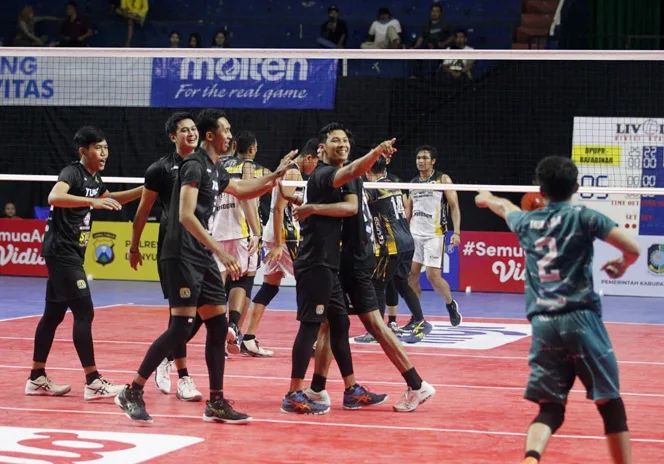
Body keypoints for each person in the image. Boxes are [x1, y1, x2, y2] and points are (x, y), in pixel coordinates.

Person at [115, 108, 298, 424]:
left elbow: (241, 190)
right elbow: (185, 215)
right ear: (210, 135)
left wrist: (274, 177)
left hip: (201, 255)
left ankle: (216, 402)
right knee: (181, 327)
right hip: (181, 254)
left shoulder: (215, 168)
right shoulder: (194, 166)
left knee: (217, 325)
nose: (230, 135)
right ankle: (133, 390)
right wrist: (220, 251)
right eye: (225, 130)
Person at [475, 156, 638, 464]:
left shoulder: (526, 222)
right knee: (610, 404)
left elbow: (503, 207)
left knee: (550, 408)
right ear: (576, 187)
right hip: (581, 320)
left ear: (540, 189)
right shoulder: (584, 217)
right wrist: (622, 264)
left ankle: (531, 459)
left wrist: (485, 197)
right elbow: (632, 248)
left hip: (544, 325)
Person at [297, 140, 435, 412]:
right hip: (349, 258)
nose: (341, 145)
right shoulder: (340, 176)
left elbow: (350, 208)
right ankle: (318, 388)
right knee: (330, 324)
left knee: (373, 323)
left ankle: (416, 384)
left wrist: (311, 208)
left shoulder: (345, 175)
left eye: (344, 141)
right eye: (336, 141)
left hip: (356, 260)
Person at [27, 126, 143, 400]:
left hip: (70, 253)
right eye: (98, 148)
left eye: (106, 148)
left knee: (53, 315)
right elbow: (54, 197)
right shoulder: (72, 172)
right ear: (83, 151)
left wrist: (145, 190)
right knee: (84, 313)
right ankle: (92, 381)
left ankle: (36, 378)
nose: (104, 153)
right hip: (62, 252)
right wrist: (92, 201)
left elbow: (109, 199)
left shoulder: (94, 178)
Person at [128, 112, 203, 401]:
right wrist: (134, 247)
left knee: (208, 314)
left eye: (194, 129)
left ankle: (165, 356)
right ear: (173, 137)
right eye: (184, 130)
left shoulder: (206, 164)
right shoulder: (160, 169)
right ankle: (183, 377)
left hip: (203, 248)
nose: (191, 133)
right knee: (180, 316)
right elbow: (143, 211)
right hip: (175, 249)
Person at [241, 138, 319, 357]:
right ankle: (311, 341)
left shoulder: (288, 168)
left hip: (276, 236)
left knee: (270, 287)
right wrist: (277, 244)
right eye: (316, 162)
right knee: (312, 286)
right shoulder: (294, 173)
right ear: (309, 157)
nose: (316, 168)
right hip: (285, 239)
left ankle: (248, 339)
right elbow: (277, 209)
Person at [354, 155, 432, 344]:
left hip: (391, 244)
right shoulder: (393, 184)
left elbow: (355, 205)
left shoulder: (373, 188)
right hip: (407, 241)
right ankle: (421, 321)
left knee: (377, 285)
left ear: (367, 170)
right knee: (401, 283)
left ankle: (377, 331)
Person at [212, 131, 267, 354]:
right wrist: (257, 232)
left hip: (215, 231)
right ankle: (233, 325)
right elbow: (249, 198)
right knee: (243, 281)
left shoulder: (212, 164)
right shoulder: (249, 167)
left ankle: (217, 338)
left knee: (217, 286)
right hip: (241, 230)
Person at [406, 145, 462, 330]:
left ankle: (450, 304)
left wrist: (456, 232)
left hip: (434, 234)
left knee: (433, 276)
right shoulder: (413, 183)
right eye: (418, 158)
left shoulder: (442, 179)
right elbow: (408, 212)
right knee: (411, 277)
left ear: (433, 161)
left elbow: (454, 206)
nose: (420, 161)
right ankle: (417, 317)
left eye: (424, 158)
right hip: (415, 234)